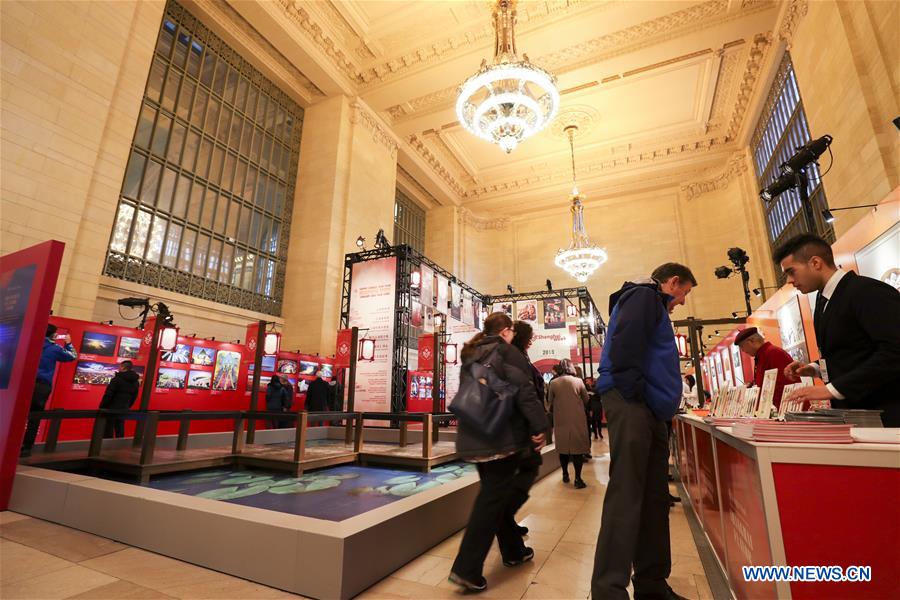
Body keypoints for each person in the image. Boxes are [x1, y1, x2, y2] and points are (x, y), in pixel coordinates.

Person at [592, 262, 697, 600]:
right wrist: (636, 394)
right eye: (684, 294)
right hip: (633, 403)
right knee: (626, 494)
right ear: (673, 282)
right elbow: (625, 349)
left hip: (649, 408)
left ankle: (651, 582)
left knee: (653, 499)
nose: (682, 301)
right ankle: (608, 589)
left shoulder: (652, 304)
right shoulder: (642, 297)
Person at [449, 312, 548, 594]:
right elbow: (525, 393)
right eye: (512, 332)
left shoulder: (472, 353)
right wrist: (540, 425)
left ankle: (514, 551)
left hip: (475, 436)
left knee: (495, 496)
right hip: (502, 438)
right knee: (491, 501)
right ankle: (465, 570)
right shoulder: (507, 352)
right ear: (506, 331)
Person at [775, 234, 900, 426]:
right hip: (856, 416)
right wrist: (814, 368)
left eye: (792, 272)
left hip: (887, 415)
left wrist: (832, 389)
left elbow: (894, 351)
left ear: (815, 262)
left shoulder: (866, 291)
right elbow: (852, 350)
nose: (790, 280)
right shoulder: (822, 300)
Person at [508, 320, 544, 536]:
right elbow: (524, 395)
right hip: (519, 429)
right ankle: (502, 518)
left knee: (522, 474)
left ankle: (506, 522)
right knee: (527, 471)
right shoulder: (516, 358)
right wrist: (535, 426)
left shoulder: (520, 356)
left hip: (521, 427)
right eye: (529, 337)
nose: (531, 341)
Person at [21, 324, 77, 457]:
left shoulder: (30, 343)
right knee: (35, 417)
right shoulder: (54, 348)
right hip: (42, 386)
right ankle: (26, 448)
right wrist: (68, 343)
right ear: (53, 335)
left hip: (23, 383)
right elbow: (72, 356)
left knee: (15, 414)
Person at [548, 359, 590, 489]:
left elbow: (550, 402)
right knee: (577, 450)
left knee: (563, 449)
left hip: (560, 420)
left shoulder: (553, 383)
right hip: (577, 419)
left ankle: (565, 474)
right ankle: (578, 479)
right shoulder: (578, 381)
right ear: (571, 367)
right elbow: (586, 399)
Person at [734, 328, 797, 410]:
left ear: (751, 341)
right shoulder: (762, 356)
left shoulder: (774, 353)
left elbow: (785, 386)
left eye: (742, 346)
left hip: (788, 411)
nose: (742, 350)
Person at [99, 361, 140, 438]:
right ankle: (119, 446)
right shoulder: (136, 382)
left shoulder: (116, 379)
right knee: (120, 427)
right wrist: (127, 406)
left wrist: (102, 406)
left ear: (123, 367)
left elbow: (108, 395)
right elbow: (134, 396)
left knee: (108, 428)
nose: (119, 368)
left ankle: (107, 447)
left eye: (120, 366)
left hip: (112, 408)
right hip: (124, 408)